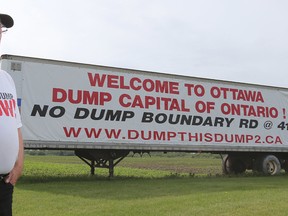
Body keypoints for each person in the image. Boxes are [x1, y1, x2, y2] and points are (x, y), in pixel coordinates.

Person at [0, 13, 24, 216]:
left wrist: (18, 165)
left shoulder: (7, 79)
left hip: (5, 181)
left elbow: (16, 125)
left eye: (0, 28)